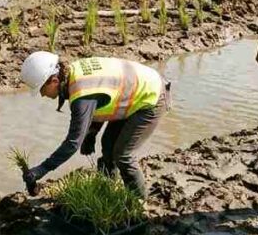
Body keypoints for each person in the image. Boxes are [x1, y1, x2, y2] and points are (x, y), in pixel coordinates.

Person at [18, 51, 167, 199]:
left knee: (123, 155)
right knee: (108, 144)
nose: (42, 95)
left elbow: (72, 143)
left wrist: (42, 169)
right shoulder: (72, 71)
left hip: (151, 98)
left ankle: (139, 203)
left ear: (54, 81)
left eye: (42, 90)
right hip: (134, 91)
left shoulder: (81, 96)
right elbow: (101, 97)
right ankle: (109, 191)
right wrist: (91, 134)